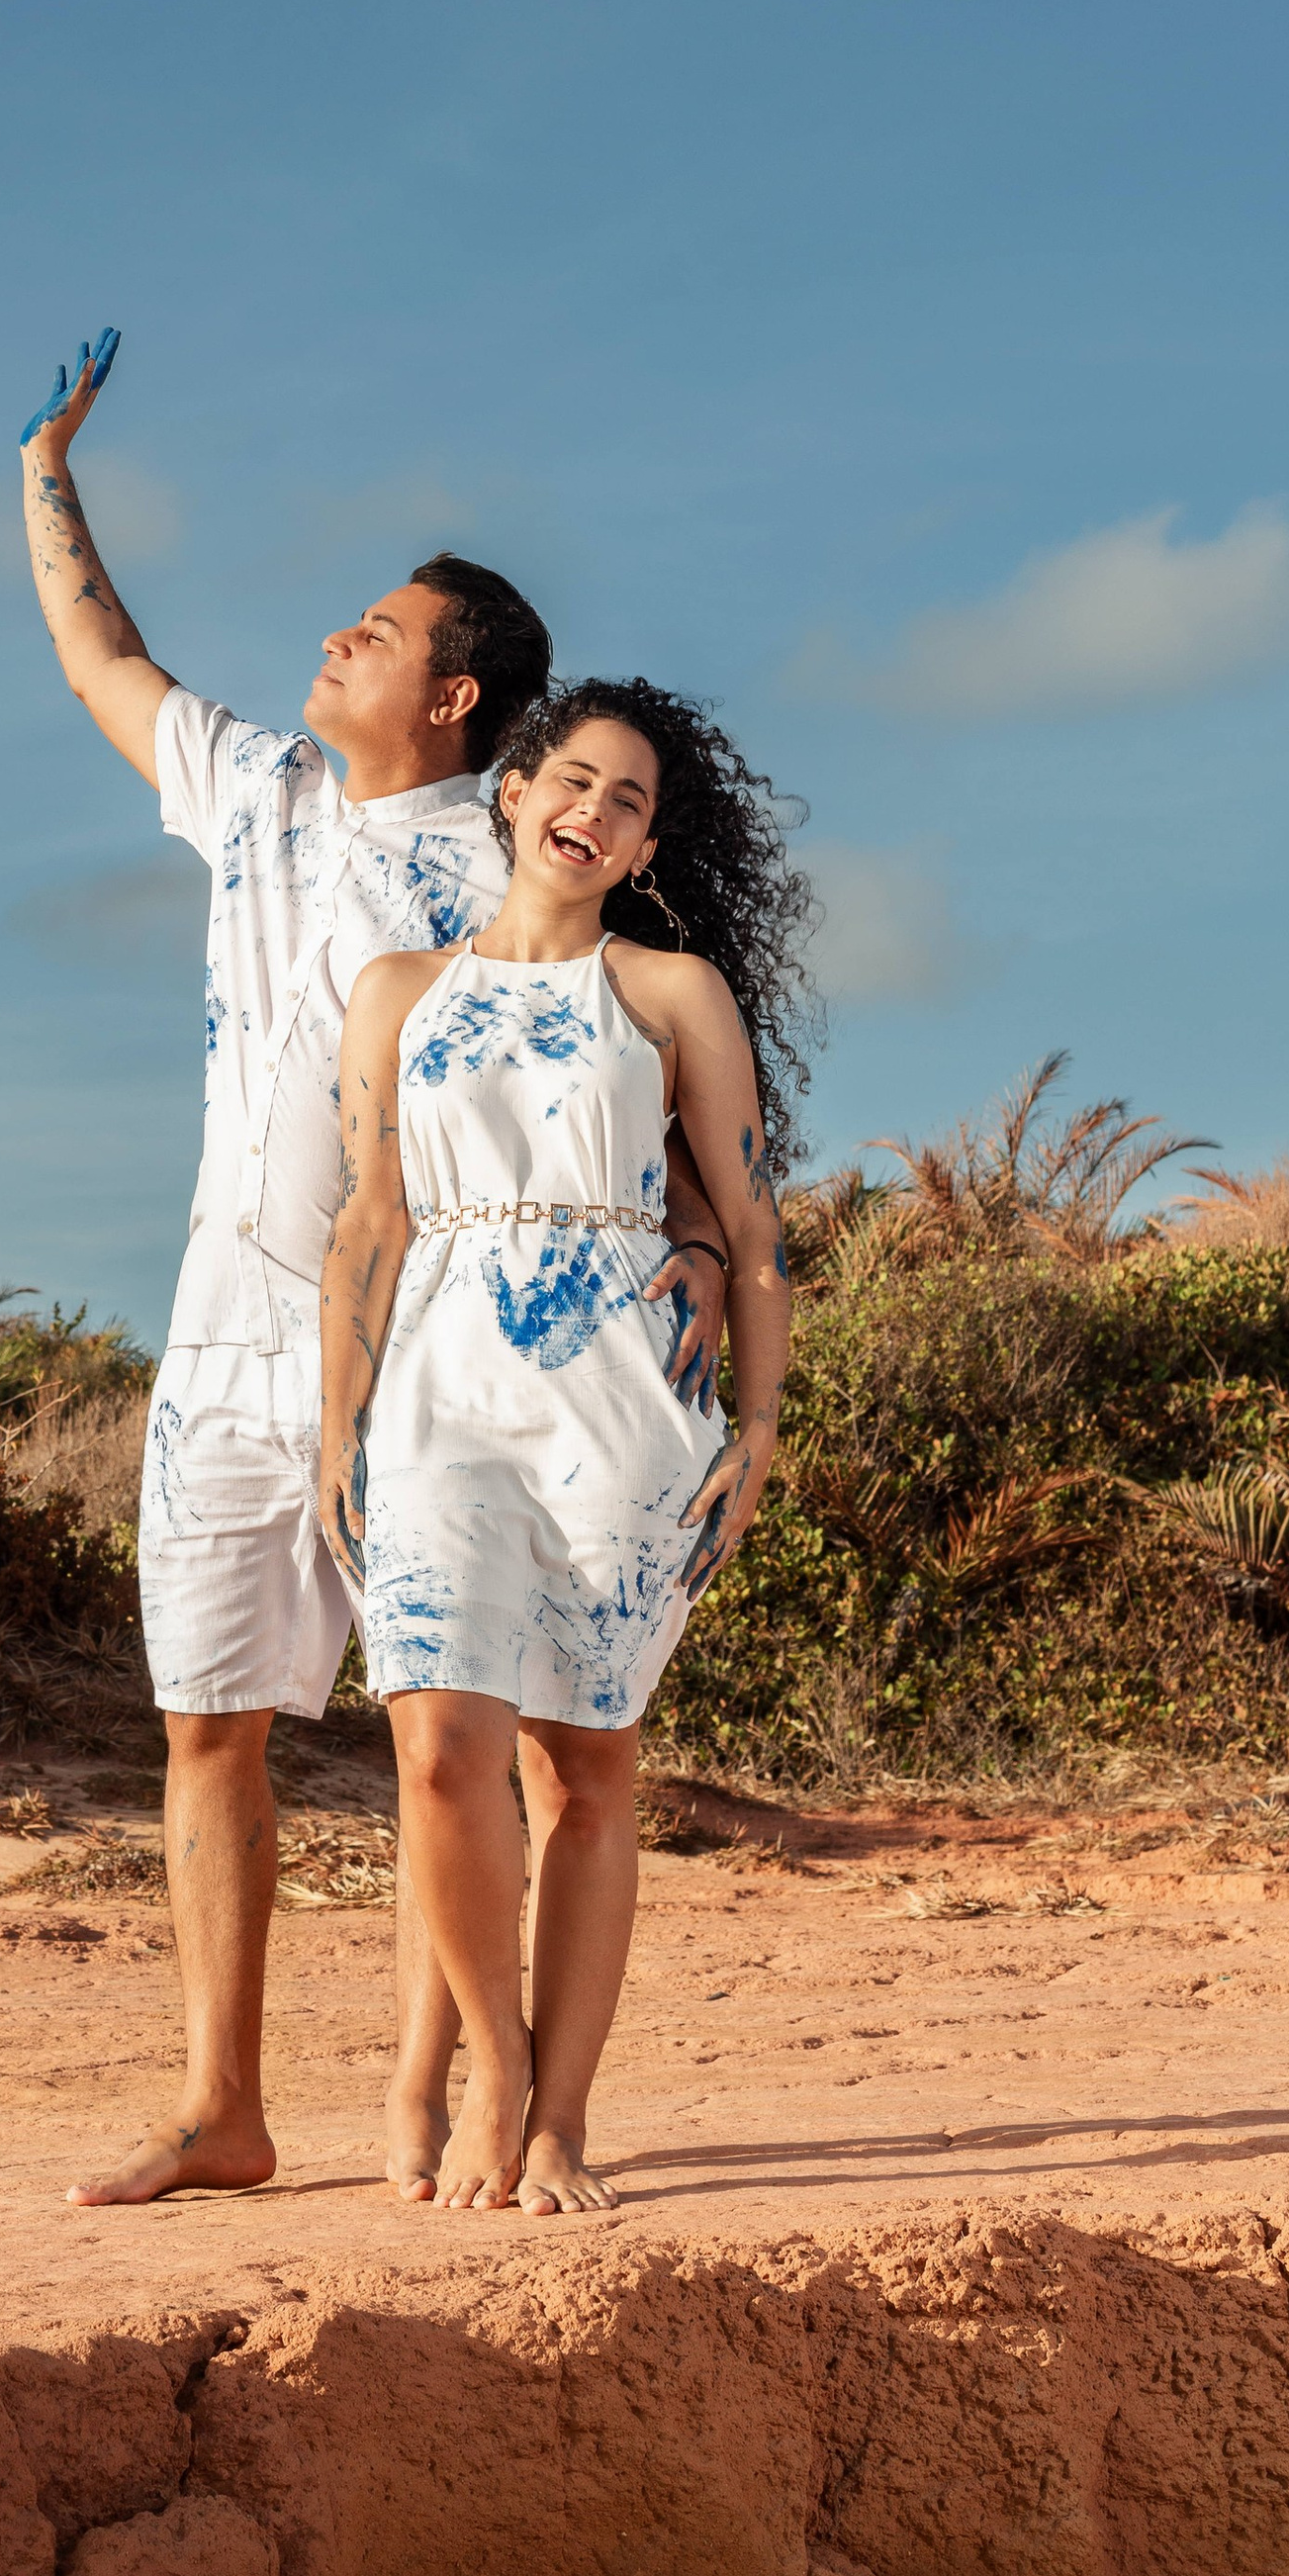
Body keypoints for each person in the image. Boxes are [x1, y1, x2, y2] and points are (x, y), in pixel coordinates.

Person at [17, 335, 732, 2207]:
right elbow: (104, 660)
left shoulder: (496, 870)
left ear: (457, 696)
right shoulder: (253, 792)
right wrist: (44, 473)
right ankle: (221, 2104)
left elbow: (615, 1086)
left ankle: (461, 2084)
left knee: (460, 1727)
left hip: (426, 1347)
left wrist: (706, 1260)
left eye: (373, 630)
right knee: (206, 1718)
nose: (330, 643)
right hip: (223, 1327)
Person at [320, 677, 809, 2214]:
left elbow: (754, 1230)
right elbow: (370, 1221)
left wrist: (762, 1433)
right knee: (435, 1745)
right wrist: (336, 1427)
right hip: (442, 1386)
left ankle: (559, 2121)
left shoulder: (670, 993)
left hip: (622, 1403)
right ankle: (490, 2063)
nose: (595, 815)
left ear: (648, 844)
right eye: (575, 783)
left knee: (583, 1767)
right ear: (515, 790)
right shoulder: (400, 989)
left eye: (631, 804)